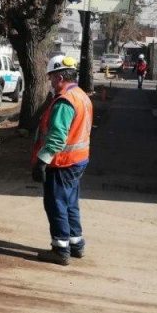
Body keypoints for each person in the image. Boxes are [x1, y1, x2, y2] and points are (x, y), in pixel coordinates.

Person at [31, 55, 93, 266]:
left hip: (62, 163)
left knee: (56, 204)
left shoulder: (65, 101)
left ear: (59, 77)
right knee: (70, 203)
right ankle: (76, 244)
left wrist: (42, 160)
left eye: (51, 78)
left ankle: (60, 249)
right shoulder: (81, 95)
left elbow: (57, 137)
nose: (50, 82)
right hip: (78, 161)